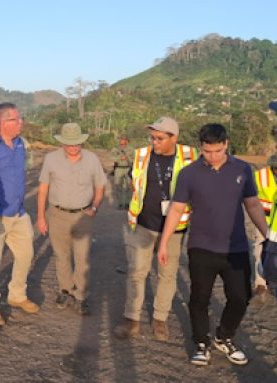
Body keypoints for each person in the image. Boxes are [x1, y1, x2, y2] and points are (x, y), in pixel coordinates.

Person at [157, 123, 267, 366]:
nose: (213, 156)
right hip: (201, 246)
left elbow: (252, 205)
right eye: (208, 151)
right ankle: (201, 343)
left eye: (218, 151)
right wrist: (163, 243)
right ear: (201, 148)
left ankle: (224, 336)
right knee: (199, 298)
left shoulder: (242, 169)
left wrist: (267, 235)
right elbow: (176, 209)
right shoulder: (188, 173)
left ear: (226, 144)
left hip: (235, 247)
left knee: (240, 297)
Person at [113, 117, 197, 341]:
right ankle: (131, 318)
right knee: (136, 273)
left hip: (175, 228)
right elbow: (134, 183)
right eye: (152, 137)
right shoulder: (142, 155)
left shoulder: (191, 157)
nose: (154, 142)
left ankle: (160, 318)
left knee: (167, 274)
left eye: (159, 138)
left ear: (174, 138)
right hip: (143, 224)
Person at [37, 123, 106, 315]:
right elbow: (43, 189)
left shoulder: (92, 159)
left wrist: (94, 206)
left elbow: (100, 186)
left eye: (77, 144)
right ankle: (65, 290)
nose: (74, 147)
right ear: (62, 144)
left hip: (83, 216)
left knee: (82, 258)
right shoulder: (51, 159)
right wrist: (41, 217)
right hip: (57, 215)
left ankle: (80, 296)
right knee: (61, 256)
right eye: (69, 144)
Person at [0, 103, 39, 326]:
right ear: (3, 122)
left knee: (26, 255)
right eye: (16, 119)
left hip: (19, 212)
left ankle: (17, 295)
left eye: (20, 118)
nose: (21, 122)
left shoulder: (20, 144)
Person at [251, 154, 276, 298]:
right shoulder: (259, 176)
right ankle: (260, 283)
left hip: (276, 223)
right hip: (263, 220)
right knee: (259, 249)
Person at [109, 135, 133, 209]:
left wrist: (127, 157)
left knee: (128, 186)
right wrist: (120, 157)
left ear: (127, 141)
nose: (122, 142)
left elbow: (134, 159)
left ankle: (127, 203)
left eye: (124, 140)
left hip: (128, 168)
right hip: (118, 169)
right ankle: (120, 203)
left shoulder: (131, 149)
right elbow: (112, 158)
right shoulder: (115, 149)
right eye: (120, 141)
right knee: (118, 186)